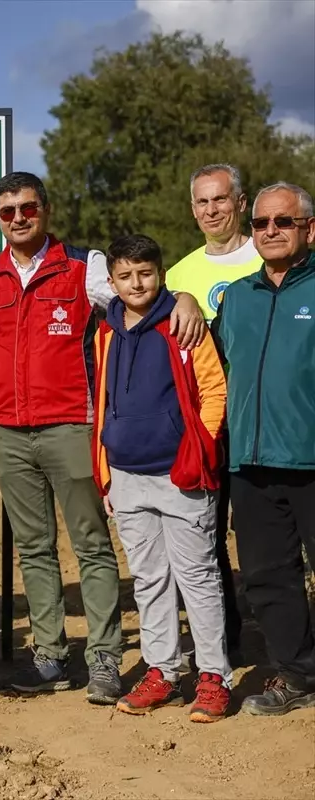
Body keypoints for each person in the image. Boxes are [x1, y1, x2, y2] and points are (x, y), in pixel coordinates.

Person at [0, 171, 207, 704]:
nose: (19, 218)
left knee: (92, 545)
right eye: (8, 211)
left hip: (72, 423)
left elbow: (137, 293)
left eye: (28, 208)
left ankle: (103, 659)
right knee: (34, 548)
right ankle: (50, 656)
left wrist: (183, 297)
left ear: (45, 210)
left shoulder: (82, 266)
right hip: (7, 430)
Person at [92, 234, 232, 723]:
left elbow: (214, 390)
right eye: (125, 276)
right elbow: (103, 400)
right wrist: (106, 471)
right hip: (126, 475)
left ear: (161, 273)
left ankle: (214, 677)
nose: (136, 284)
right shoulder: (105, 332)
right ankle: (163, 671)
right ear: (112, 281)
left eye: (145, 273)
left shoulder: (183, 322)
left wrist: (200, 448)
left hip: (181, 473)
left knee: (198, 577)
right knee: (149, 579)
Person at [212, 182, 315, 716]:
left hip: (310, 459)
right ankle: (298, 675)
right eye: (260, 223)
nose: (270, 230)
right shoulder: (237, 297)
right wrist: (182, 299)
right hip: (249, 463)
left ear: (309, 230)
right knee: (268, 577)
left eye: (283, 221)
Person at [164, 163, 257, 659]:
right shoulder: (179, 275)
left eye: (220, 199)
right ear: (192, 209)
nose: (211, 210)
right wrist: (181, 296)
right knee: (208, 538)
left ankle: (291, 640)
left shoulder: (268, 252)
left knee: (269, 538)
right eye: (202, 201)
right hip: (208, 427)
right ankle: (227, 641)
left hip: (264, 418)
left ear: (241, 202)